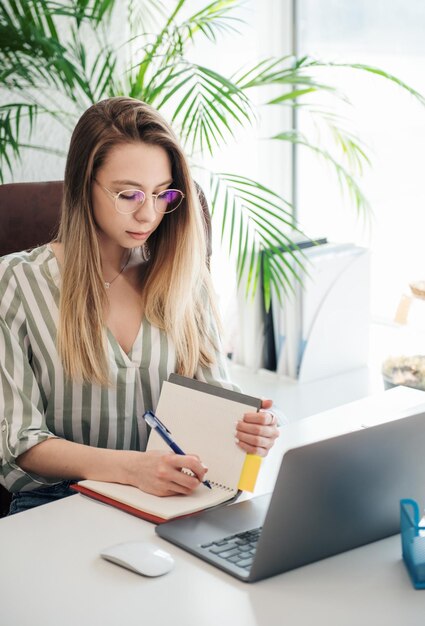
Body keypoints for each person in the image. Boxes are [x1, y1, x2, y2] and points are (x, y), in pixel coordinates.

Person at [0, 97, 279, 515]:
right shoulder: (16, 282)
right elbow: (22, 442)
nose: (149, 214)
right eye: (127, 194)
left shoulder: (183, 277)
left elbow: (213, 396)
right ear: (82, 185)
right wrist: (133, 469)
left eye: (162, 193)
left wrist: (250, 429)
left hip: (169, 498)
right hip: (56, 503)